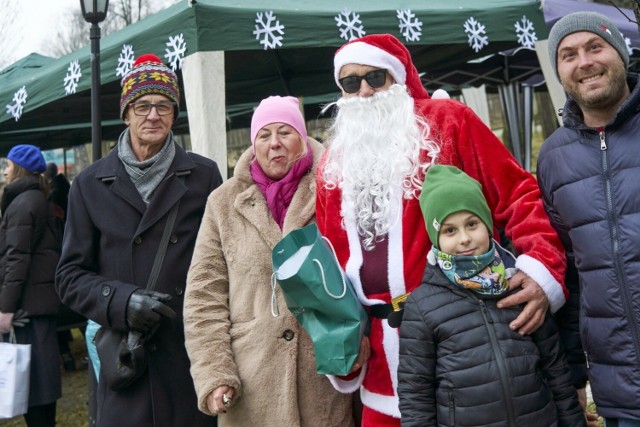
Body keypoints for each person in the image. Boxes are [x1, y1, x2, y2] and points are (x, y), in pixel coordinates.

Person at [316, 33, 569, 426]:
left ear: (397, 79)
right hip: (381, 359)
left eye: (375, 78)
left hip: (461, 345)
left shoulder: (448, 122)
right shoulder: (334, 161)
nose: (364, 91)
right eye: (350, 82)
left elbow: (518, 194)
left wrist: (540, 269)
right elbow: (330, 259)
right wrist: (342, 335)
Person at [55, 53, 223, 427]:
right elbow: (68, 277)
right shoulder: (89, 184)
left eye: (164, 106)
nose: (153, 115)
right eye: (143, 105)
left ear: (174, 114)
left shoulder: (203, 176)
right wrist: (121, 301)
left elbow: (224, 262)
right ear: (126, 113)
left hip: (188, 356)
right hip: (127, 356)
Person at [184, 96, 355, 427]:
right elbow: (204, 296)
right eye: (264, 135)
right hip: (253, 381)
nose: (274, 143)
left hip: (325, 378)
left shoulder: (333, 189)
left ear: (303, 139)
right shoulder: (223, 203)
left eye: (285, 132)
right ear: (253, 144)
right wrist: (215, 372)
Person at [397, 164, 585, 426]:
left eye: (472, 224)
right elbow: (415, 396)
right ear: (436, 238)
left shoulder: (520, 285)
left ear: (487, 226)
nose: (464, 239)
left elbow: (556, 370)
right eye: (450, 230)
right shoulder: (422, 306)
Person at [538, 11, 640, 427]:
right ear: (559, 70)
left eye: (595, 47)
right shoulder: (553, 157)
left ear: (620, 52)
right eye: (568, 54)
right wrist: (574, 377)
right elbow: (569, 273)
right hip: (621, 391)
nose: (584, 62)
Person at [0, 144, 62, 427]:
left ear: (20, 169)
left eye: (8, 165)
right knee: (40, 393)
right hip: (37, 307)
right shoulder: (37, 200)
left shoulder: (23, 204)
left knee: (34, 395)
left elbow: (17, 259)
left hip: (27, 312)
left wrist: (5, 309)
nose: (4, 171)